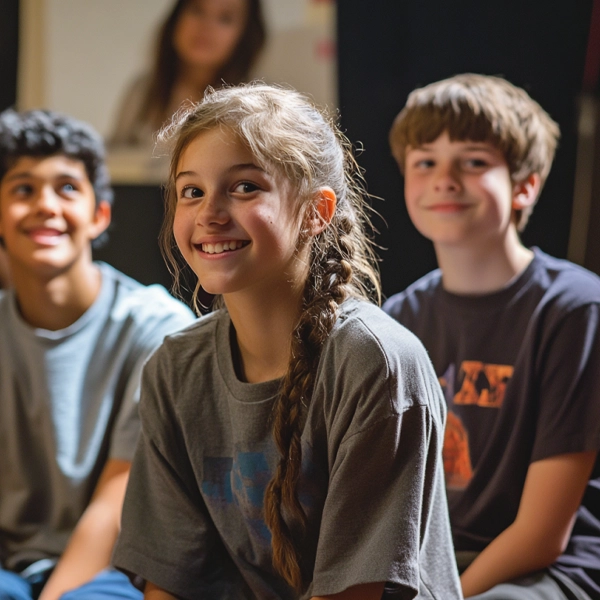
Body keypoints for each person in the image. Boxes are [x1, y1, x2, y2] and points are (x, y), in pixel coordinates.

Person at [112, 83, 463, 599]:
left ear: (315, 212)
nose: (210, 212)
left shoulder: (376, 361)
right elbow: (168, 582)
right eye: (192, 191)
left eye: (245, 187)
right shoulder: (174, 368)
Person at [383, 73, 600, 599]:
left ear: (525, 184)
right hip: (432, 562)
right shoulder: (397, 316)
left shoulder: (574, 308)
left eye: (473, 162)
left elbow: (543, 535)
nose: (445, 179)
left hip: (543, 568)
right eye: (425, 162)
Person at [0, 108, 196, 600]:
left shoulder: (158, 328)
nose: (45, 205)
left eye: (67, 188)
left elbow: (119, 497)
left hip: (118, 569)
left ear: (99, 215)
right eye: (22, 189)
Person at [109, 0, 266, 149]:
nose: (206, 26)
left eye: (225, 18)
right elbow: (115, 161)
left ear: (246, 34)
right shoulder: (144, 91)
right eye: (197, 9)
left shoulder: (257, 105)